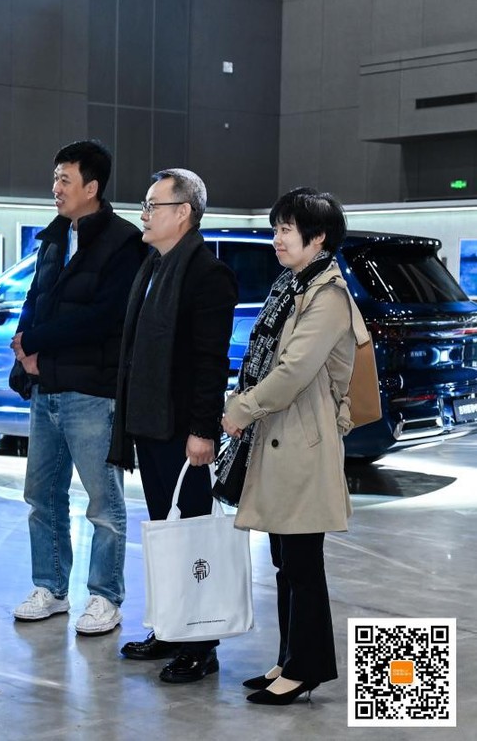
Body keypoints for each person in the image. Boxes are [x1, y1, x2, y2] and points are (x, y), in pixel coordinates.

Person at [220, 188, 359, 705]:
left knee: (302, 563)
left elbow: (294, 371)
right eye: (276, 228)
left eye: (286, 229)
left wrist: (242, 408)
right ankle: (290, 657)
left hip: (302, 441)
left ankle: (306, 667)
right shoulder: (293, 285)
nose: (277, 238)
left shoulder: (328, 297)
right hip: (281, 436)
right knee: (286, 561)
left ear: (317, 238)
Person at [8, 140, 146, 636]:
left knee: (103, 503)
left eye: (64, 179)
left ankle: (105, 596)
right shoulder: (52, 238)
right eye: (55, 178)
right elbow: (35, 299)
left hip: (92, 390)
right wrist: (23, 348)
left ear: (92, 187)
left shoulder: (124, 241)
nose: (56, 188)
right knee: (41, 495)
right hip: (46, 386)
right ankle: (50, 588)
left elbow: (106, 315)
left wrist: (38, 340)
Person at [109, 168, 238, 683]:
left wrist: (203, 431)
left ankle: (200, 643)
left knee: (192, 539)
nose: (144, 215)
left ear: (183, 212)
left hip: (184, 431)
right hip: (150, 424)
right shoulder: (153, 267)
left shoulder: (207, 274)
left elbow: (210, 362)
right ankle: (170, 627)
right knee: (165, 533)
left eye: (152, 205)